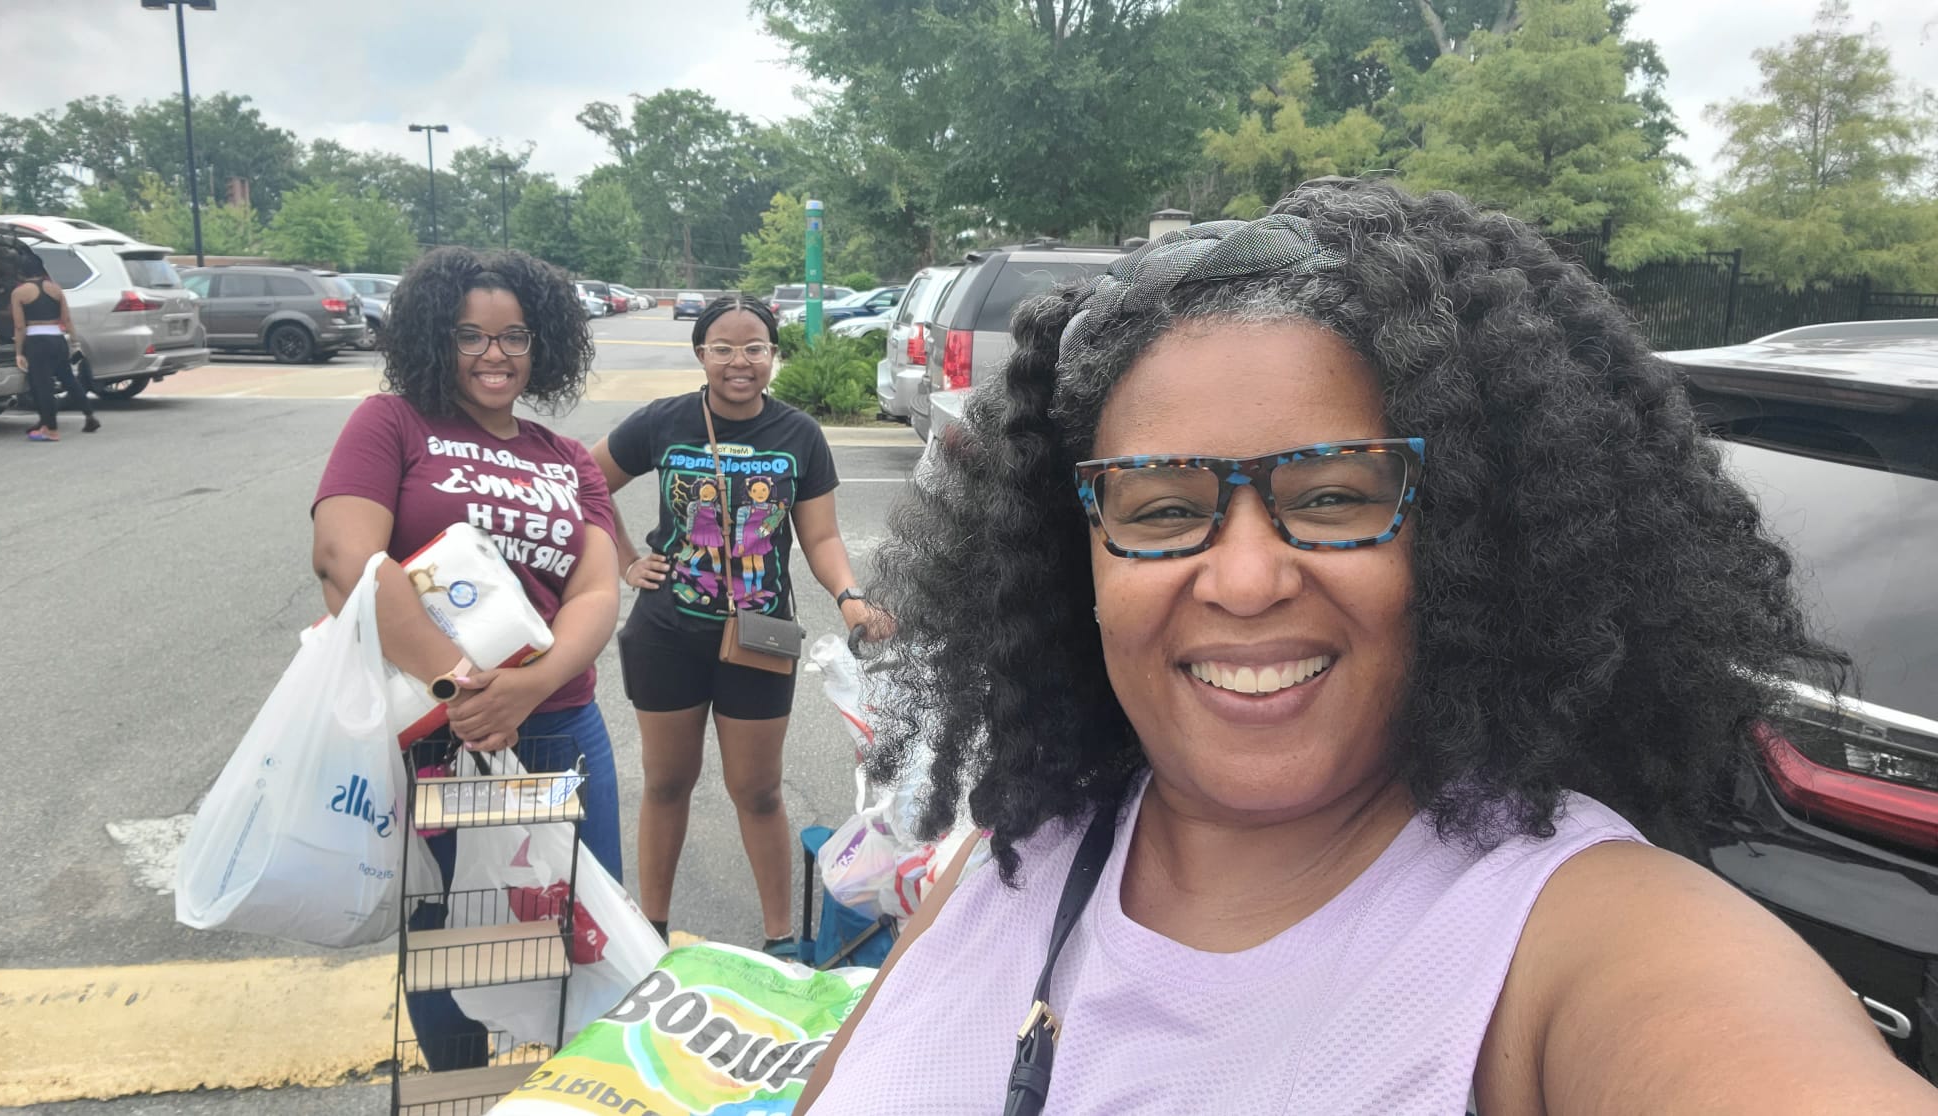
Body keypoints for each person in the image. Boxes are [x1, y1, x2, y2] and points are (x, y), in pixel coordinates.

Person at [800, 182, 1938, 1112]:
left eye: (1338, 496)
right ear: (1075, 561)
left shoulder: (1580, 942)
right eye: (1158, 509)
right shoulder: (1014, 850)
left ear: (1468, 548)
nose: (1243, 579)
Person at [310, 247, 621, 1069]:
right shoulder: (393, 423)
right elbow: (348, 562)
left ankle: (571, 1088)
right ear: (432, 339)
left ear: (542, 343)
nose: (495, 353)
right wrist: (460, 687)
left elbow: (595, 589)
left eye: (515, 335)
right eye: (470, 335)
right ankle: (461, 1086)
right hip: (435, 735)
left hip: (558, 729)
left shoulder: (565, 457)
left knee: (580, 932)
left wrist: (532, 685)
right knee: (453, 938)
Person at [592, 294, 891, 958]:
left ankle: (781, 938)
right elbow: (586, 479)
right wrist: (625, 560)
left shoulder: (798, 436)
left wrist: (850, 598)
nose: (739, 361)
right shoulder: (664, 422)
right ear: (700, 354)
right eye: (722, 348)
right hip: (669, 632)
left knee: (758, 792)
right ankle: (652, 931)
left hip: (762, 636)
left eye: (754, 348)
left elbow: (820, 536)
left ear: (773, 356)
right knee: (667, 783)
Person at [10, 257, 98, 441]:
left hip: (36, 340)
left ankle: (50, 429)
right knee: (68, 379)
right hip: (57, 338)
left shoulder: (19, 293)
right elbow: (67, 320)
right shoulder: (56, 289)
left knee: (42, 385)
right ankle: (89, 415)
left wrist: (19, 352)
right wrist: (75, 343)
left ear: (22, 273)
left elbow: (19, 326)